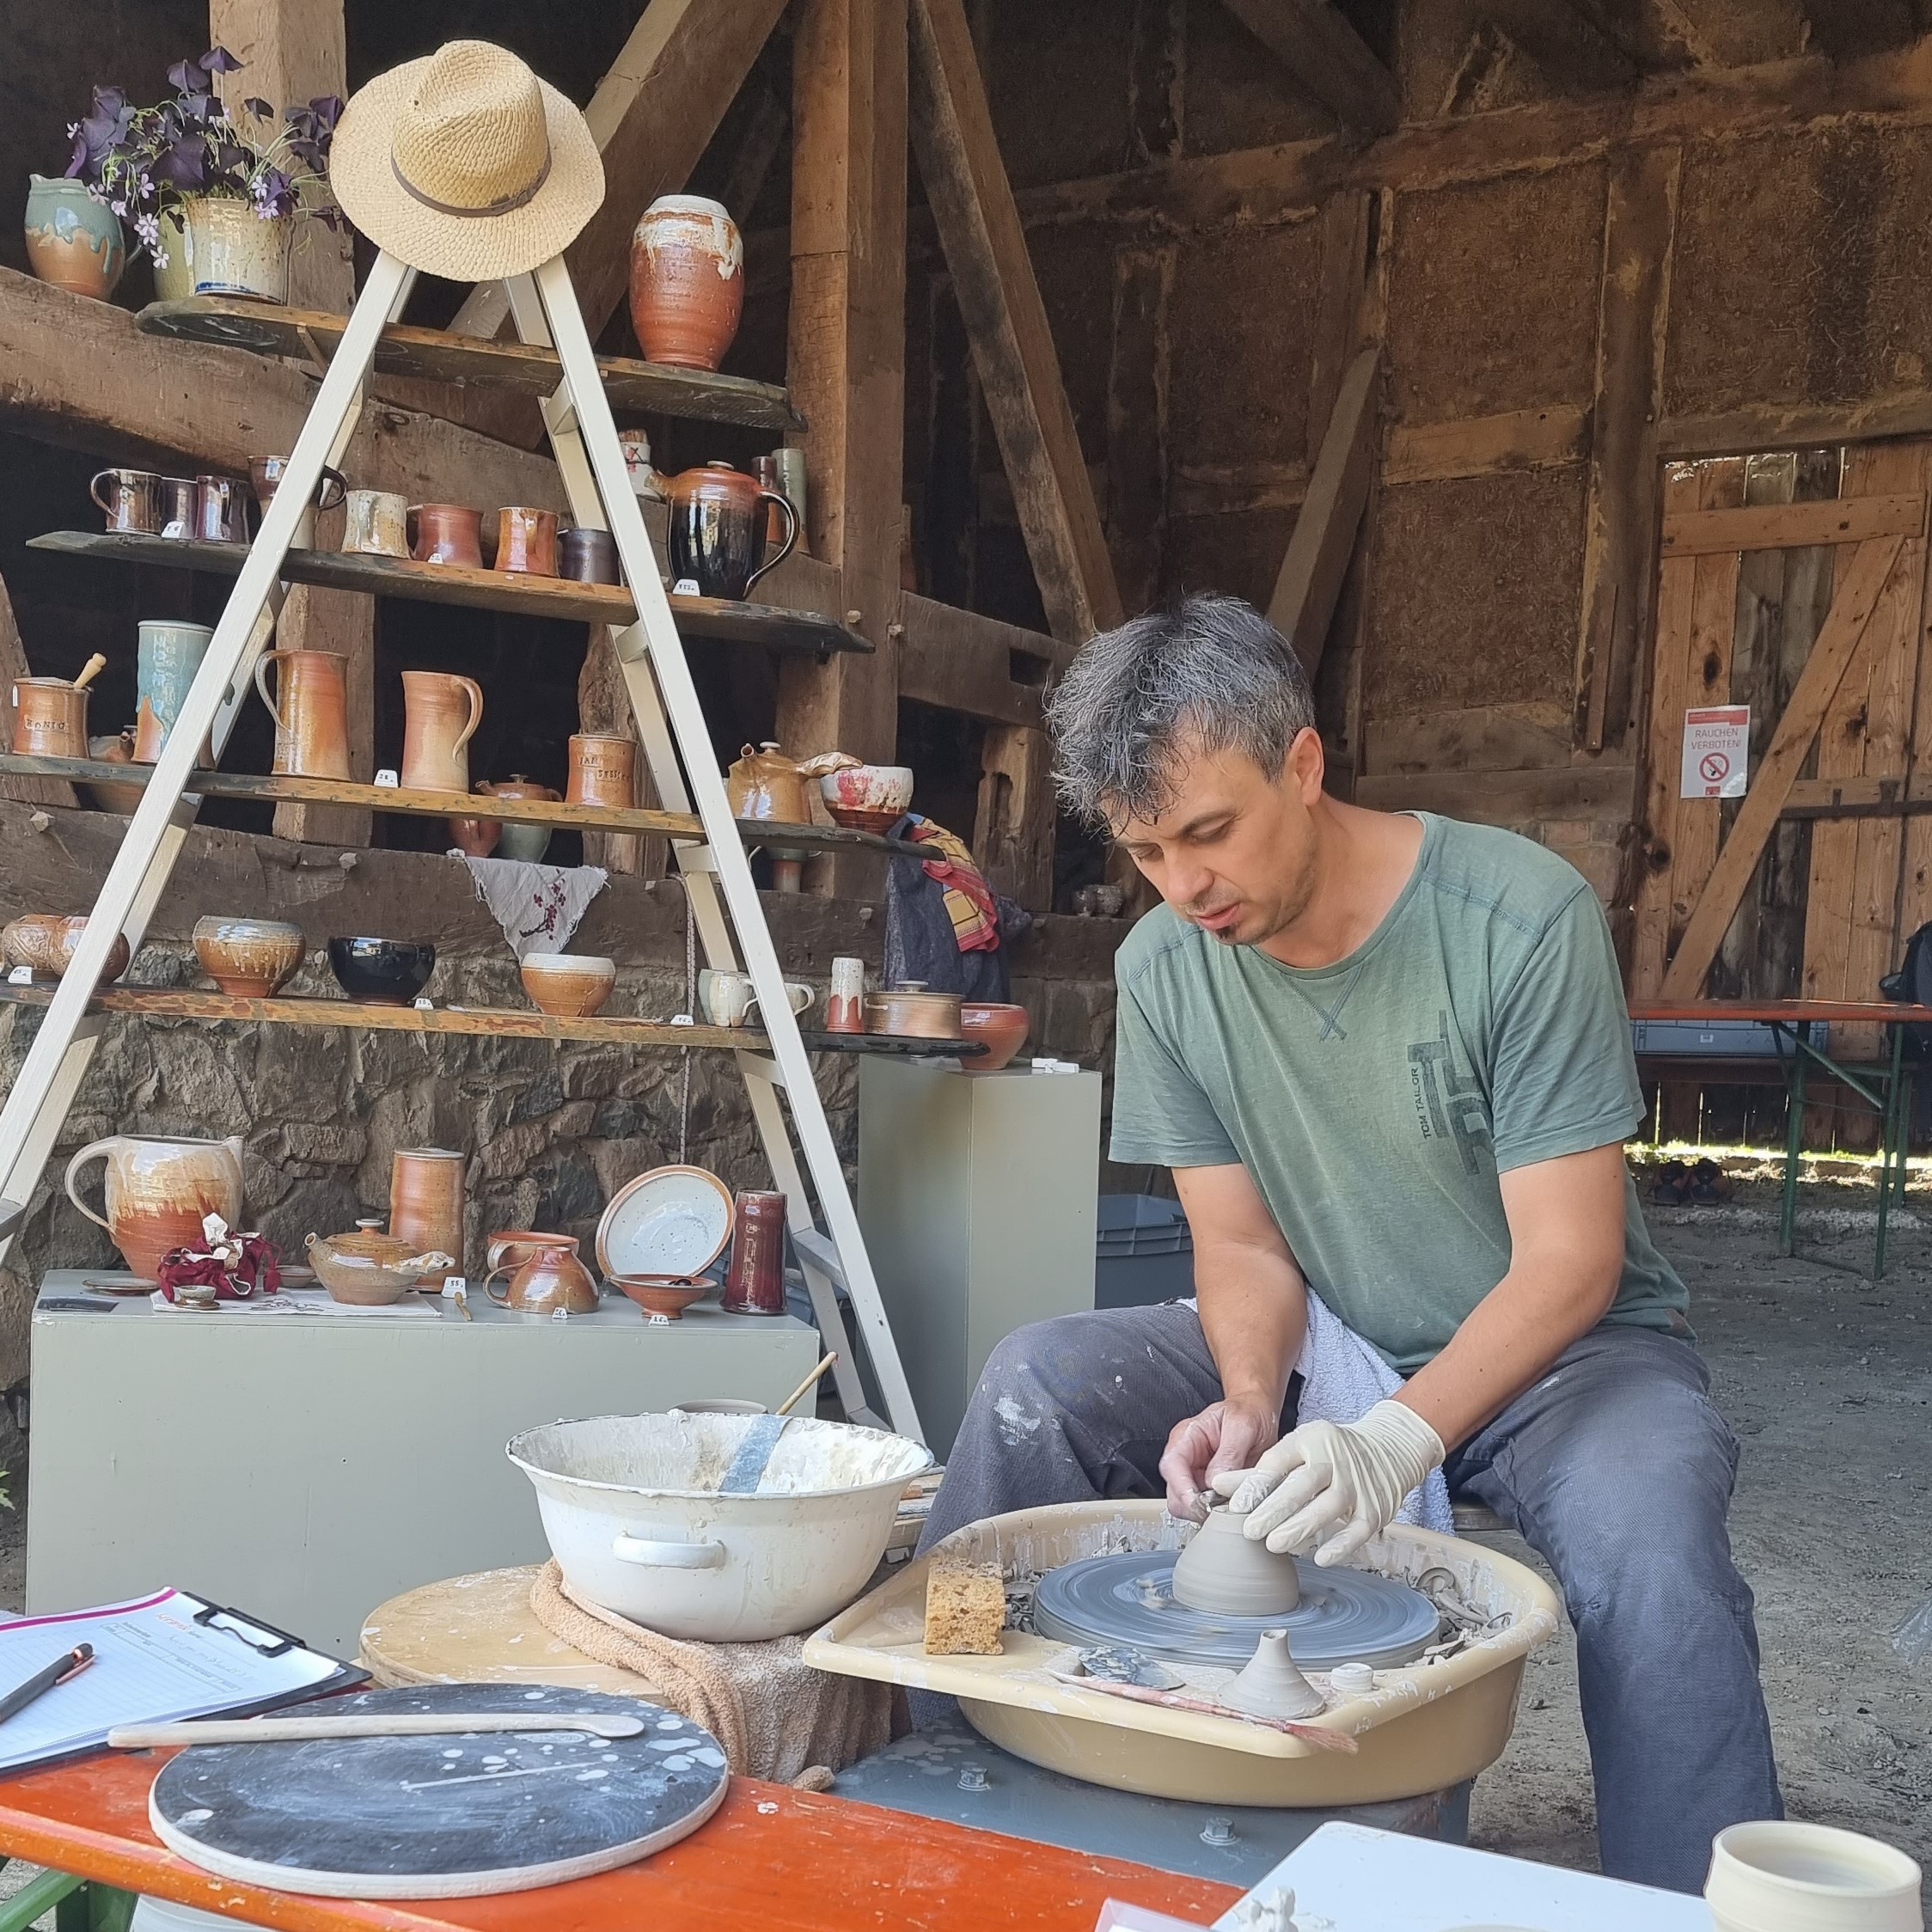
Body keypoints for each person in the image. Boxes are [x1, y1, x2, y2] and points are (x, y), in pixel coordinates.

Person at [920, 593, 1781, 1893]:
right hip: (1335, 1342)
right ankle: (940, 1788)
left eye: (1210, 832)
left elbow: (1572, 1261)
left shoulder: (1517, 920)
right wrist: (1255, 1403)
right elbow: (1243, 1252)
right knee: (1033, 1381)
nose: (1185, 886)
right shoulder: (1165, 968)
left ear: (1304, 765)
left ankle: (1706, 1903)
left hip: (1568, 1356)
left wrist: (1394, 1439)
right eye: (1148, 853)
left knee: (1650, 1534)